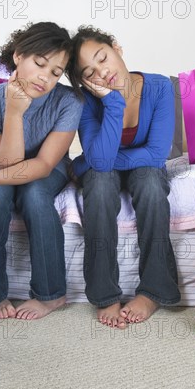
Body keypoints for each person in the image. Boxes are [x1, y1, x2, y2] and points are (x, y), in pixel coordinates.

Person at [0, 22, 83, 320]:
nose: (45, 77)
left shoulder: (69, 102)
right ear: (19, 55)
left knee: (35, 195)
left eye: (56, 72)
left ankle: (52, 294)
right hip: (3, 164)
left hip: (48, 168)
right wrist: (14, 112)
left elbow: (44, 164)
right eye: (39, 63)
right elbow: (4, 165)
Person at [65, 25, 180, 329]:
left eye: (103, 58)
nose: (102, 73)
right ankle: (105, 294)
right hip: (107, 170)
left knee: (152, 185)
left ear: (116, 47)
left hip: (144, 166)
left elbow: (156, 154)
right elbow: (101, 165)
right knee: (100, 188)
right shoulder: (88, 102)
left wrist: (93, 161)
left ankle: (154, 290)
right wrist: (113, 103)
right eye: (90, 73)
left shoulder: (159, 88)